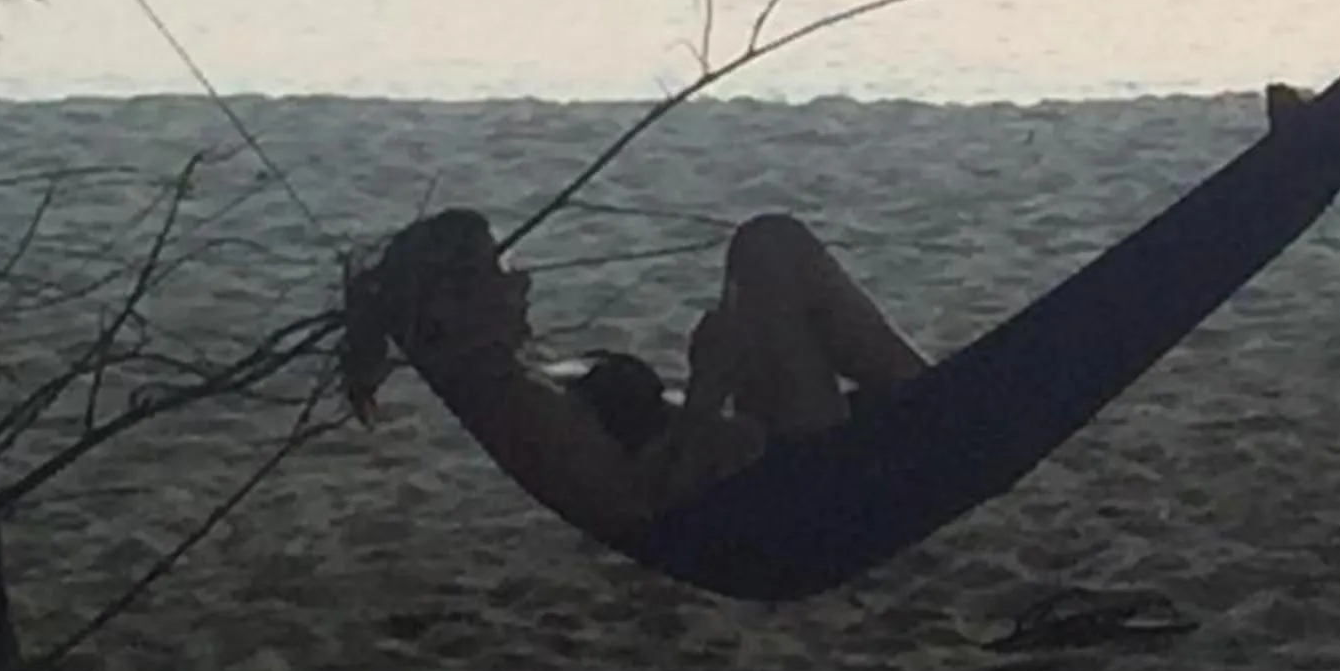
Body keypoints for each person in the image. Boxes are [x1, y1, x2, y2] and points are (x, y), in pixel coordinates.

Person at [339, 208, 927, 542]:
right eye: (502, 271)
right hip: (792, 496)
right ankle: (939, 408)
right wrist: (707, 385)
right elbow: (643, 508)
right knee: (769, 247)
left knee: (768, 248)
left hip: (768, 458)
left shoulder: (506, 382)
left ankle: (931, 400)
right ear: (448, 307)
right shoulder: (519, 407)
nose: (522, 283)